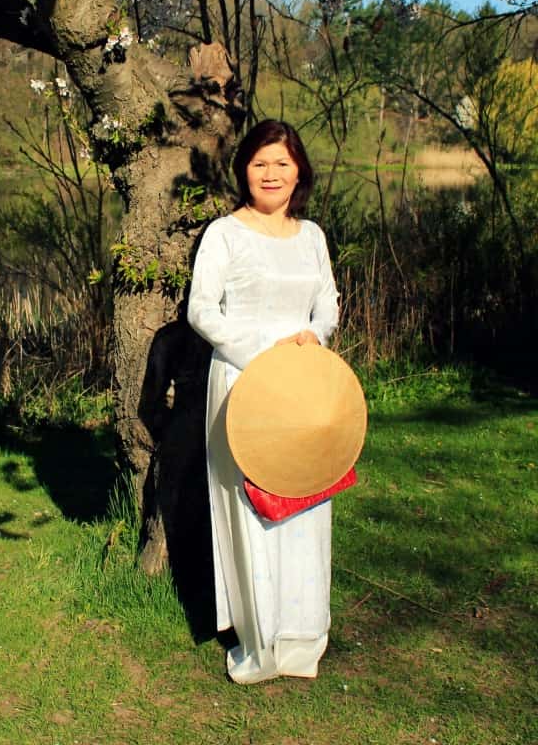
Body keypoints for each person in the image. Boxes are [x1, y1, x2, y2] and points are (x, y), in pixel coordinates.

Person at [187, 119, 340, 684]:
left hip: (302, 390)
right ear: (243, 171)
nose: (271, 173)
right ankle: (259, 639)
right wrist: (260, 350)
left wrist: (314, 337)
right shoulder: (225, 234)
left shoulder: (313, 236)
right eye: (259, 163)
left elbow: (327, 305)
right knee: (252, 509)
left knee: (304, 504)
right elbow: (202, 311)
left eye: (281, 162)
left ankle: (303, 639)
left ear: (298, 169)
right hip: (243, 384)